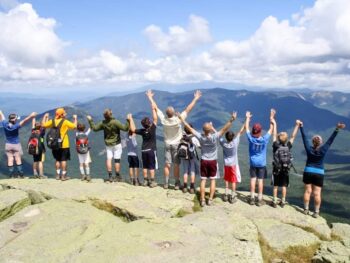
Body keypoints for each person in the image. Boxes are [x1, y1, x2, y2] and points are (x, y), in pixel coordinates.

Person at [178, 112, 237, 207]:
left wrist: (182, 119)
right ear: (210, 130)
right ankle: (210, 199)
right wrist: (231, 119)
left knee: (203, 180)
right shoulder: (215, 136)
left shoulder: (200, 137)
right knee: (213, 180)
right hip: (213, 161)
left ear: (203, 130)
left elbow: (190, 129)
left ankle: (202, 200)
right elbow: (224, 129)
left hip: (204, 161)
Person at [146, 89, 202, 190]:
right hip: (177, 144)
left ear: (167, 114)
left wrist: (150, 97)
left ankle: (166, 183)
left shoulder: (163, 120)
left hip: (167, 144)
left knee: (167, 164)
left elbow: (156, 107)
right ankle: (176, 183)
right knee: (176, 164)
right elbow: (188, 109)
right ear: (174, 113)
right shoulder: (178, 120)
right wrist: (195, 98)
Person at [300, 121, 346, 218]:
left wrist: (301, 127)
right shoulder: (323, 149)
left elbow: (304, 138)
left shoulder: (309, 149)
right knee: (317, 193)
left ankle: (306, 209)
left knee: (307, 191)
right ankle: (316, 212)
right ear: (320, 142)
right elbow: (330, 140)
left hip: (308, 171)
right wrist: (337, 129)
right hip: (319, 173)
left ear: (313, 142)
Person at [87, 109, 129, 183]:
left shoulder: (103, 123)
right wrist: (128, 120)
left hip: (108, 144)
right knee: (117, 160)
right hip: (117, 144)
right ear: (111, 114)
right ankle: (117, 176)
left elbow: (95, 129)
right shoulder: (115, 122)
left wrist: (90, 120)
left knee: (109, 159)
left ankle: (110, 176)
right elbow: (125, 128)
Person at [245, 109, 275, 206]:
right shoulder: (264, 139)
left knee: (253, 179)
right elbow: (271, 129)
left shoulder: (250, 138)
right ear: (260, 131)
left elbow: (246, 128)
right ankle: (259, 199)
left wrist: (248, 118)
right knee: (260, 181)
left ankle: (252, 197)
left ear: (253, 131)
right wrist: (271, 118)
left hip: (253, 163)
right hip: (262, 164)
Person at [129, 96, 158, 188]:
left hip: (143, 150)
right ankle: (152, 182)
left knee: (145, 166)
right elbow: (155, 119)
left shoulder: (141, 131)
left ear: (142, 125)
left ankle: (145, 181)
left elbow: (133, 129)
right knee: (151, 166)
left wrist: (130, 119)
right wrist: (153, 109)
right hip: (151, 150)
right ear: (149, 123)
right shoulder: (152, 129)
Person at [271, 119, 301, 208]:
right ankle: (283, 201)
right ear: (286, 139)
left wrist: (274, 123)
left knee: (275, 185)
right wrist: (297, 125)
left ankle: (275, 201)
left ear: (278, 138)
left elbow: (274, 135)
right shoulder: (288, 146)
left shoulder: (276, 146)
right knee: (284, 185)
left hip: (276, 169)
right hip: (285, 169)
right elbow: (293, 136)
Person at [42, 108, 77, 181]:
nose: (65, 114)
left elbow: (43, 125)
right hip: (64, 144)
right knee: (63, 160)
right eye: (64, 113)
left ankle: (58, 175)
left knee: (57, 160)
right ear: (62, 114)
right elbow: (74, 127)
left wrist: (45, 117)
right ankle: (63, 176)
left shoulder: (53, 121)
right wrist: (75, 119)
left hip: (55, 144)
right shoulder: (65, 122)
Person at [0, 110, 37, 178]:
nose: (17, 120)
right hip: (16, 144)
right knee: (18, 159)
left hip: (8, 144)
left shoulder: (5, 124)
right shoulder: (16, 126)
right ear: (14, 119)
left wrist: (0, 112)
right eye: (16, 119)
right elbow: (25, 120)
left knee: (10, 159)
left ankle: (11, 175)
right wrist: (31, 116)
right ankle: (21, 175)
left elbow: (1, 115)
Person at [219, 124, 245, 204]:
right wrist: (245, 123)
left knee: (227, 179)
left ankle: (226, 195)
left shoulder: (223, 143)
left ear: (226, 137)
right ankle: (233, 195)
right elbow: (240, 132)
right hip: (233, 165)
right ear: (233, 137)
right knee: (233, 180)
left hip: (226, 164)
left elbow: (218, 135)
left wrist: (212, 127)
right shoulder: (235, 143)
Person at [179, 123, 200, 194]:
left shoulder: (182, 136)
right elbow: (199, 146)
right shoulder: (193, 138)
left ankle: (185, 187)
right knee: (192, 171)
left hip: (184, 156)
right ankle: (191, 187)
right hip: (191, 156)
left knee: (185, 171)